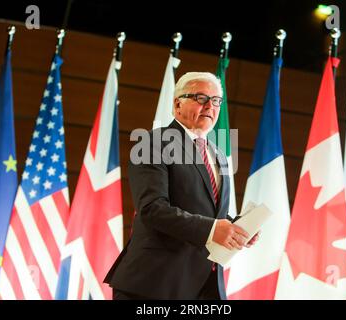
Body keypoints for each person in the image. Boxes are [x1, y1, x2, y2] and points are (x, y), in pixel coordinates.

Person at [104, 72, 259, 300]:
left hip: (205, 285)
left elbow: (208, 211)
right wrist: (215, 229)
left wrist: (238, 227)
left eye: (216, 100)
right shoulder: (152, 142)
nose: (210, 106)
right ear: (177, 104)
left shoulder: (218, 155)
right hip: (155, 284)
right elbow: (152, 209)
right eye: (201, 98)